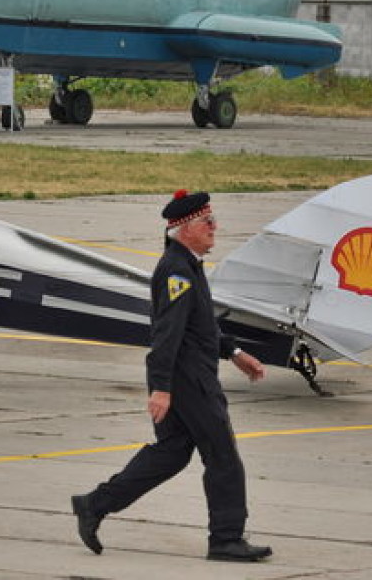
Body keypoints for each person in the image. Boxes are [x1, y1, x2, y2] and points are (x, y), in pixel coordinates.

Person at [70, 190, 272, 563]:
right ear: (183, 230)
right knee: (222, 455)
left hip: (186, 377)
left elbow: (201, 324)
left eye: (213, 220)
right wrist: (162, 388)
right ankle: (226, 539)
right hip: (187, 380)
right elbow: (167, 334)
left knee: (172, 453)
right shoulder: (176, 271)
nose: (215, 227)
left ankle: (94, 504)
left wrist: (234, 352)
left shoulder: (188, 265)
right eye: (206, 222)